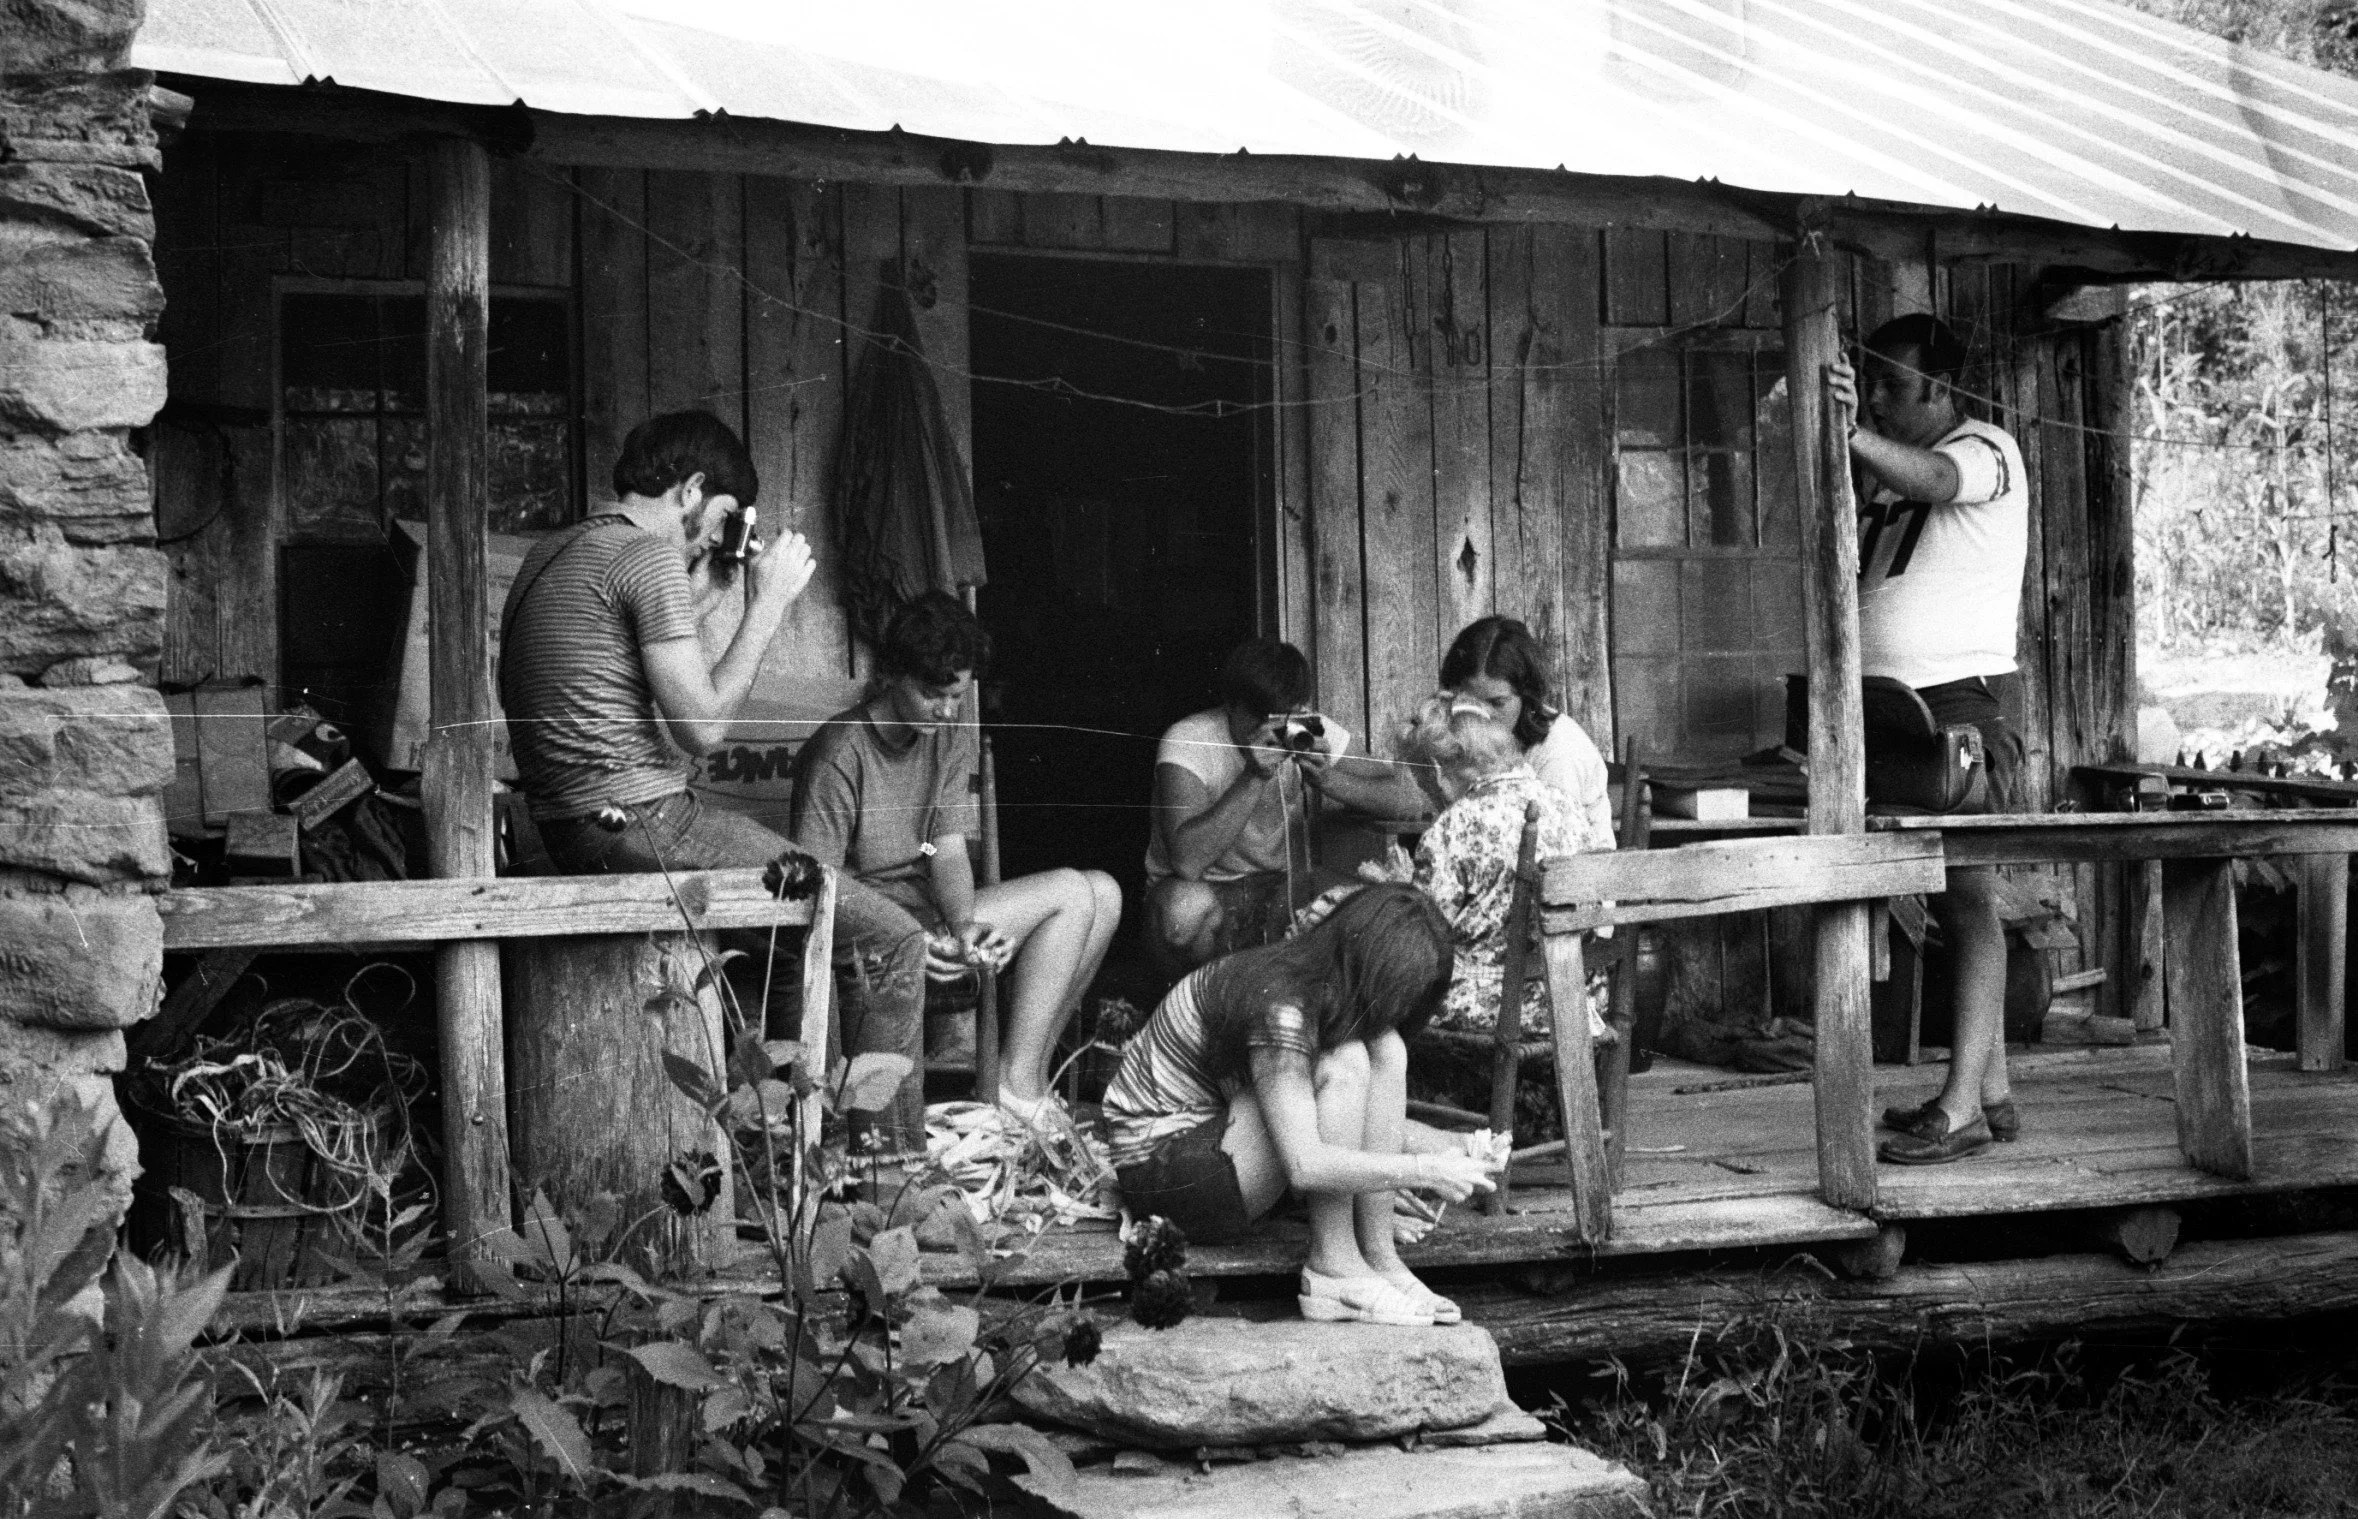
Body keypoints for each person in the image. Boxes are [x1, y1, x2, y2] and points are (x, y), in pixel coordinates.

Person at [499, 409, 929, 1148]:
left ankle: (789, 1153)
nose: (716, 538)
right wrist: (769, 604)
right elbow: (700, 727)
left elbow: (643, 664)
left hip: (576, 827)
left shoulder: (557, 551)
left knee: (791, 942)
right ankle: (887, 1169)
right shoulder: (647, 558)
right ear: (693, 489)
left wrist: (714, 586)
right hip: (644, 820)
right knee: (892, 937)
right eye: (724, 518)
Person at [1102, 883, 1504, 1325]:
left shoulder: (1313, 987)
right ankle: (1334, 1267)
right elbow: (1305, 1164)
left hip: (1219, 1146)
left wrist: (1456, 1150)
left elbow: (1344, 1120)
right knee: (1343, 1061)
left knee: (1386, 1046)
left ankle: (1379, 1257)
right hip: (1164, 1176)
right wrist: (1425, 1169)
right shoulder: (1281, 1008)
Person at [793, 592, 1122, 1126]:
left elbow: (945, 851)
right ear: (892, 676)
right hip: (864, 936)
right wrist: (901, 938)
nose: (946, 711)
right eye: (931, 694)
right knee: (1071, 887)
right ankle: (1017, 1093)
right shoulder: (839, 753)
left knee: (1099, 892)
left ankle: (1020, 1082)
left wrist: (964, 924)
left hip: (926, 921)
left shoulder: (944, 738)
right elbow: (818, 891)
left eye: (956, 695)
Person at [1829, 313, 2030, 1166]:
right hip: (1893, 708)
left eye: (1893, 384)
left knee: (1969, 900)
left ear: (1941, 388)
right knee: (1948, 897)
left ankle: (1963, 1111)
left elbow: (1940, 478)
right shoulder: (1887, 474)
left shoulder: (1987, 449)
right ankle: (1992, 1089)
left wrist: (1853, 434)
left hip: (1961, 708)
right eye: (1869, 383)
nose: (1878, 397)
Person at [1392, 695, 1612, 1038]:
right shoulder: (1565, 805)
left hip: (1502, 1004)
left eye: (1422, 782)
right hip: (1579, 996)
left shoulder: (1454, 825)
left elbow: (1421, 937)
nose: (1428, 795)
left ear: (1437, 770)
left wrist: (1399, 892)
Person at [1311, 616, 1617, 850]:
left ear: (1528, 696)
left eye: (1497, 702)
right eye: (1470, 700)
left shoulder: (1559, 752)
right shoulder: (1471, 746)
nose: (1483, 715)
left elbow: (1553, 859)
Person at [1143, 638, 1354, 977]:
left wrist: (1330, 779)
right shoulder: (1189, 739)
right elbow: (1187, 862)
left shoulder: (1303, 727)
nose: (1270, 729)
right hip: (1209, 895)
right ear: (1230, 705)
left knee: (1357, 902)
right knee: (1183, 911)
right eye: (1259, 716)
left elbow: (1403, 792)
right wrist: (1254, 776)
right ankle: (1194, 1001)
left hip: (1276, 890)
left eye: (1282, 716)